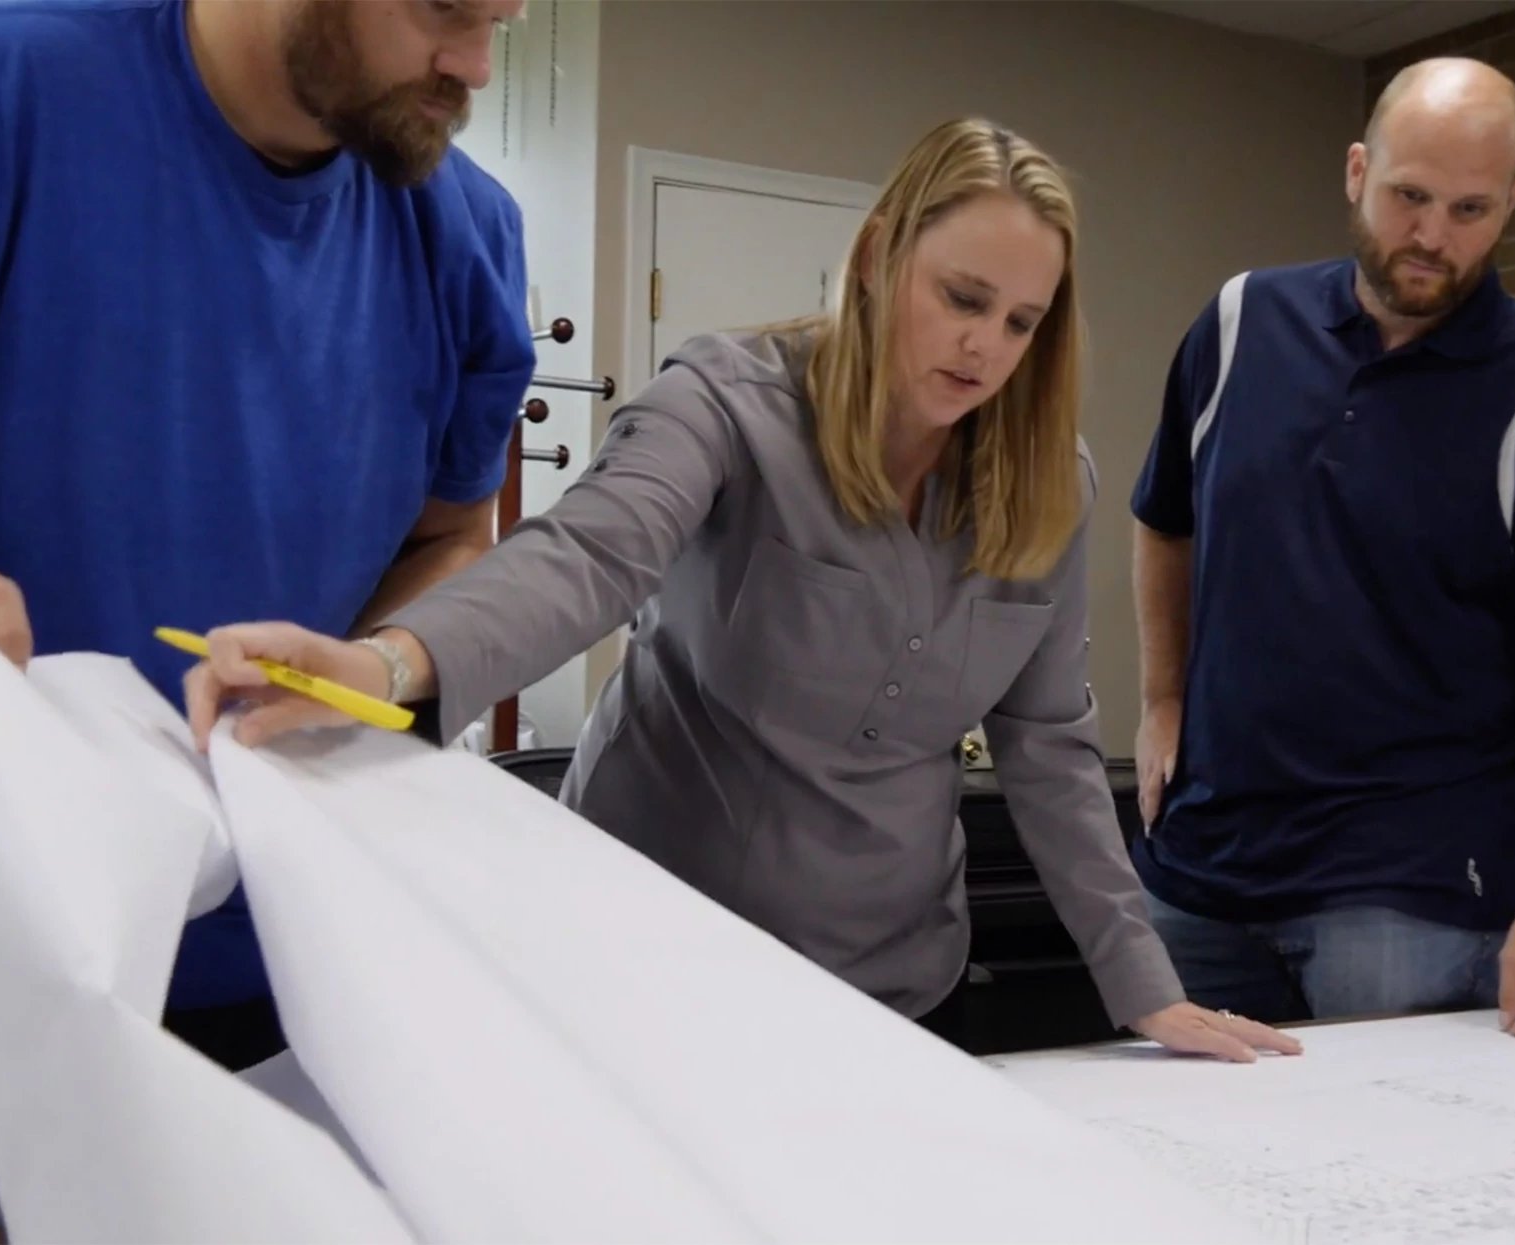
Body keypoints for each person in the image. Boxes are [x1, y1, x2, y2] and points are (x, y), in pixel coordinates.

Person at [182, 117, 1302, 1067]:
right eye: (963, 297)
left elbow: (1050, 746)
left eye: (1022, 321)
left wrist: (1142, 985)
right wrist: (388, 664)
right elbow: (589, 555)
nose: (985, 347)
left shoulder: (1051, 484)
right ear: (879, 255)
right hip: (651, 962)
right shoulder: (728, 402)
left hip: (896, 992)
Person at [0, 0, 531, 1201]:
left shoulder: (466, 230)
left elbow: (456, 537)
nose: (478, 66)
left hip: (288, 962)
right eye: (448, 9)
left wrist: (371, 668)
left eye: (503, 19)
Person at [1128, 58, 1515, 1041]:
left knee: (1384, 1141)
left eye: (1470, 209)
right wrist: (1162, 698)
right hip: (1200, 868)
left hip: (1411, 894)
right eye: (1409, 197)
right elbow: (1164, 518)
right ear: (1356, 172)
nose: (1432, 237)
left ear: (1512, 202)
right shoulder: (1239, 323)